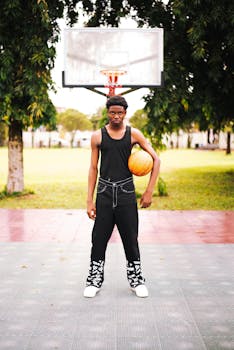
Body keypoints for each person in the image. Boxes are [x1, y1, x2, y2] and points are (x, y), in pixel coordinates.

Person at [83, 95, 160, 298]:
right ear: (107, 113)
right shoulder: (97, 137)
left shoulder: (134, 134)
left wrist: (149, 191)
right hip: (104, 192)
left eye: (120, 112)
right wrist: (89, 200)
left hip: (126, 193)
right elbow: (93, 168)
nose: (116, 116)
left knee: (130, 238)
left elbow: (156, 160)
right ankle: (94, 280)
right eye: (112, 112)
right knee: (99, 239)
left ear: (125, 113)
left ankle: (136, 280)